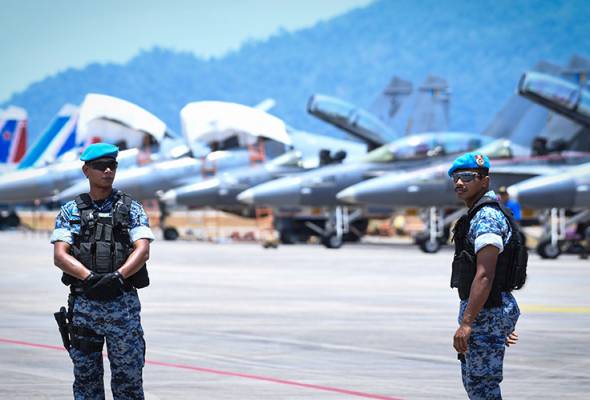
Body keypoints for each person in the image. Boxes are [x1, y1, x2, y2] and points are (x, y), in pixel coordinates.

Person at [51, 143, 155, 399]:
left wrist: (118, 277)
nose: (107, 171)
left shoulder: (131, 208)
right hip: (85, 306)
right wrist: (91, 278)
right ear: (87, 170)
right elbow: (60, 255)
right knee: (87, 383)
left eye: (112, 166)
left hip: (123, 306)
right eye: (100, 167)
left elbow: (143, 250)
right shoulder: (71, 211)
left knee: (129, 382)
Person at [448, 152, 527, 399]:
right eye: (456, 178)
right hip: (490, 311)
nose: (460, 183)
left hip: (486, 312)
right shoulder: (479, 213)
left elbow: (485, 274)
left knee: (482, 386)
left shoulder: (486, 217)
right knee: (477, 383)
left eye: (468, 177)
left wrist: (468, 323)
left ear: (485, 180)